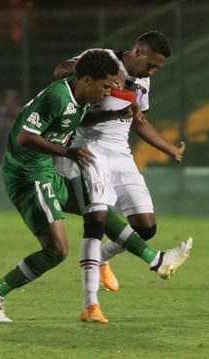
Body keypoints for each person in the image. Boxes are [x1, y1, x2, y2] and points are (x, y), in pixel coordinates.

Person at [0, 49, 192, 324]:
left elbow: (86, 117)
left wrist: (121, 112)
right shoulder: (58, 97)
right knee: (57, 251)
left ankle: (156, 259)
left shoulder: (83, 98)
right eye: (104, 86)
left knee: (94, 211)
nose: (108, 92)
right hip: (28, 176)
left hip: (45, 172)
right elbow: (24, 138)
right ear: (87, 80)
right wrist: (67, 153)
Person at [52, 31, 191, 319]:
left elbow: (138, 121)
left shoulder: (143, 82)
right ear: (138, 51)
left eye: (156, 69)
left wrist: (169, 149)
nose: (152, 72)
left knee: (146, 225)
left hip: (121, 153)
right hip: (89, 148)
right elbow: (61, 70)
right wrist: (108, 74)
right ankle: (90, 303)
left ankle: (101, 258)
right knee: (96, 220)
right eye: (151, 65)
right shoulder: (106, 58)